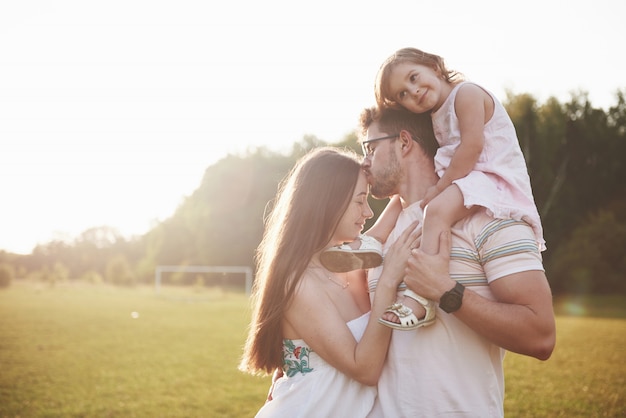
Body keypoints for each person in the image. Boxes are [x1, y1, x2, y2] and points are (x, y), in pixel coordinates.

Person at [323, 46, 546, 330]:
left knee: (436, 210)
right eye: (402, 93)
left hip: (488, 177)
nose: (412, 91)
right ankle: (369, 241)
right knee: (420, 208)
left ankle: (421, 295)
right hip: (463, 176)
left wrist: (445, 290)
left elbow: (473, 147)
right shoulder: (436, 114)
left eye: (371, 149)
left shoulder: (466, 95)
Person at [358, 105, 556, 417]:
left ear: (404, 142)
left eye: (370, 147)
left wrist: (446, 291)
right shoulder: (379, 237)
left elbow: (540, 335)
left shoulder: (491, 217)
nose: (364, 162)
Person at [238, 146, 421, 417]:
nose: (368, 212)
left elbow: (398, 209)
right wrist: (387, 283)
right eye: (360, 201)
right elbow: (365, 369)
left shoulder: (351, 257)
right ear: (328, 202)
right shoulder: (299, 285)